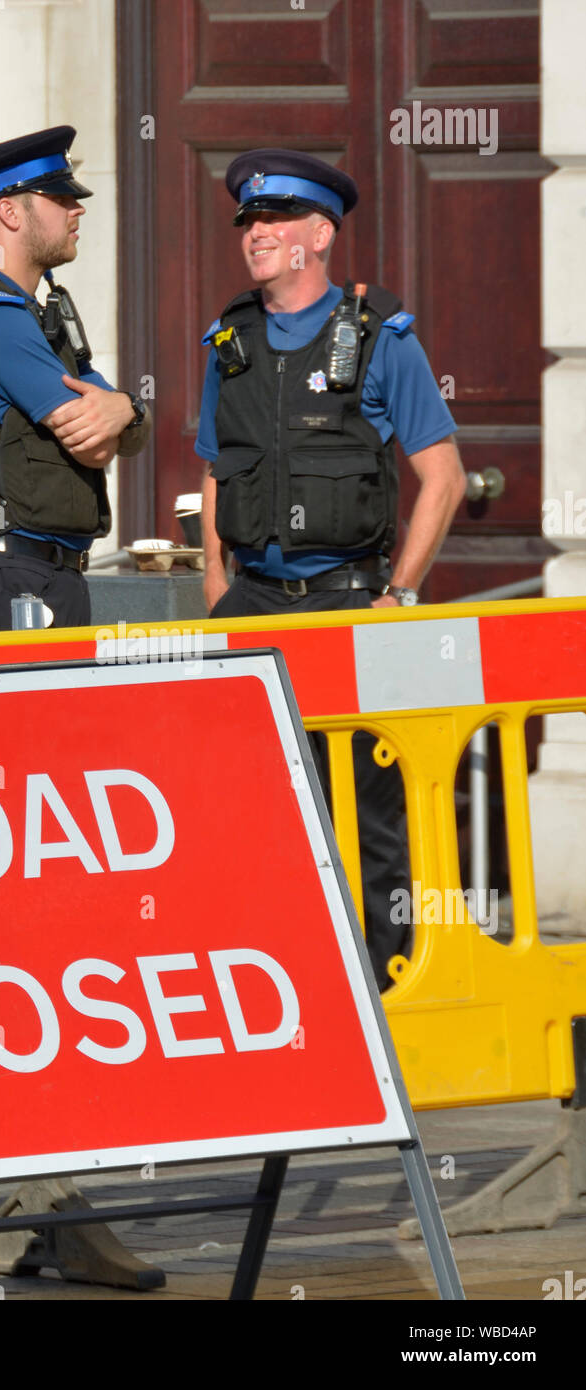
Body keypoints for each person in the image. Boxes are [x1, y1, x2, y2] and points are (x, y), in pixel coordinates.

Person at [198, 149, 466, 990]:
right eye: (248, 221)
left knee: (365, 813)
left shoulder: (379, 338)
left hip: (347, 602)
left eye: (274, 221)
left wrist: (401, 593)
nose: (256, 234)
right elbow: (215, 468)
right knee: (244, 806)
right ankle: (275, 980)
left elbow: (443, 477)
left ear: (320, 233)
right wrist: (215, 582)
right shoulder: (229, 340)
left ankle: (385, 991)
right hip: (250, 600)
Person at [0, 125, 151, 635]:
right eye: (60, 197)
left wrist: (128, 410)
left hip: (41, 579)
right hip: (6, 583)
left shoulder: (34, 317)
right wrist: (124, 411)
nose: (78, 210)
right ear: (9, 212)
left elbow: (123, 427)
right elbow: (94, 443)